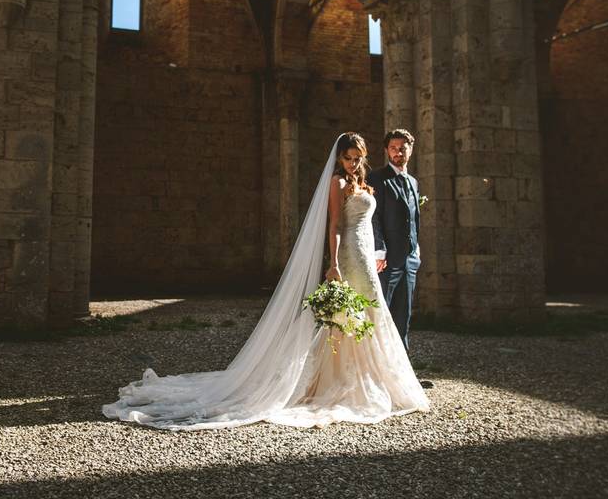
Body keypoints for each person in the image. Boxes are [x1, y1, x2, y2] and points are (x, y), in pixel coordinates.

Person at [102, 133, 429, 430]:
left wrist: (375, 252)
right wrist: (333, 266)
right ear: (339, 158)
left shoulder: (363, 183)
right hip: (349, 259)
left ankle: (371, 376)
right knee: (347, 320)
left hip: (366, 259)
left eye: (358, 157)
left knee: (370, 313)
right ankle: (341, 380)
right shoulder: (338, 184)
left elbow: (367, 225)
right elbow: (335, 226)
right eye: (348, 157)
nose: (354, 162)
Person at [368, 129, 420, 352]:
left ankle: (404, 373)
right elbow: (374, 216)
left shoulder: (413, 182)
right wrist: (379, 250)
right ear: (386, 151)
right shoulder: (377, 178)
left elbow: (413, 218)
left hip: (409, 260)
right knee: (382, 315)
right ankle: (378, 369)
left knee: (403, 316)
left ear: (410, 149)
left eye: (402, 147)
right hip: (387, 261)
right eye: (393, 148)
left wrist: (416, 249)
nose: (398, 152)